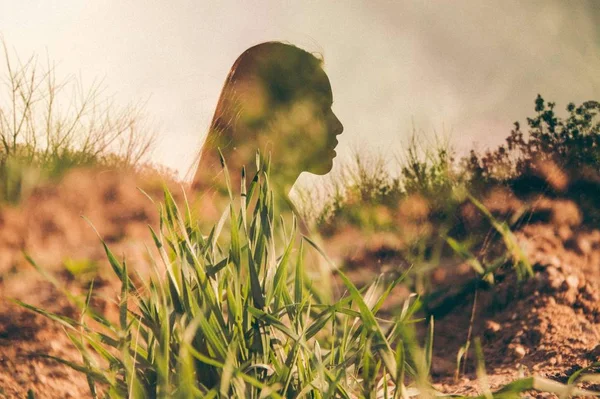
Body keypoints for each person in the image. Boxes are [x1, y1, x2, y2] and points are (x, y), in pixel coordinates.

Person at [192, 42, 343, 218]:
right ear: (267, 118)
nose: (338, 127)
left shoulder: (223, 216)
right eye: (320, 110)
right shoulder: (256, 228)